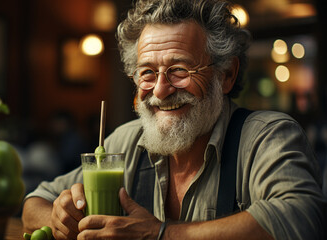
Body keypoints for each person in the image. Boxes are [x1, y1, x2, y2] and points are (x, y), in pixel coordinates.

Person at [22, 0, 327, 239]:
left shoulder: (268, 137)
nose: (160, 90)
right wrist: (60, 217)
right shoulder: (125, 142)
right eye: (147, 73)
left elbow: (303, 220)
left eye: (180, 69)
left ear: (226, 75)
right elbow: (34, 202)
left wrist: (159, 234)